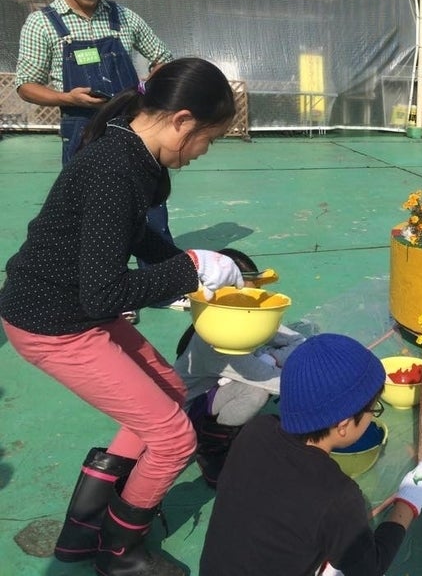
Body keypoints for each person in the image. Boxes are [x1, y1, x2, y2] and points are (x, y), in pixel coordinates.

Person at [0, 57, 244, 576]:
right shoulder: (115, 169)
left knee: (171, 392)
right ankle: (120, 552)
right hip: (52, 323)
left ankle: (83, 530)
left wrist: (198, 267)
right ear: (182, 121)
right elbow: (104, 295)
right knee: (174, 438)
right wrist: (192, 267)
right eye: (209, 139)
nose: (204, 152)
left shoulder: (133, 153)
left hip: (70, 309)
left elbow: (135, 237)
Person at [200, 333, 422, 576]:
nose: (372, 416)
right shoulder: (337, 496)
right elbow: (370, 568)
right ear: (343, 425)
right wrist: (409, 501)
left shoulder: (257, 430)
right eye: (374, 409)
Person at [14, 0, 180, 318]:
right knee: (95, 214)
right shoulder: (42, 23)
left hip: (133, 125)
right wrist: (66, 98)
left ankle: (162, 286)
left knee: (151, 204)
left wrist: (144, 89)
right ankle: (109, 292)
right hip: (82, 129)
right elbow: (26, 84)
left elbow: (164, 57)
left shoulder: (123, 17)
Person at [174, 247, 307, 488]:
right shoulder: (213, 342)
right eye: (241, 295)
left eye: (254, 293)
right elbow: (275, 383)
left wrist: (272, 358)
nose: (251, 302)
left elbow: (298, 341)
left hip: (216, 391)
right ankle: (211, 446)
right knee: (256, 392)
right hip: (187, 415)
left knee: (259, 378)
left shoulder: (248, 316)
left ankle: (225, 429)